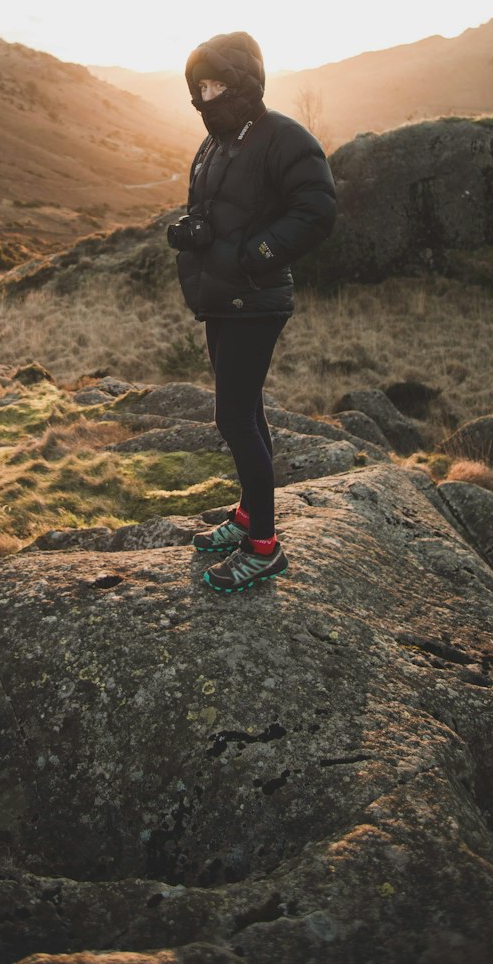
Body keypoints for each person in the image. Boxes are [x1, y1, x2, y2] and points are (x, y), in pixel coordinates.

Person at [167, 30, 337, 593]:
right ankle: (246, 515)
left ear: (244, 82)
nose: (206, 95)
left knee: (233, 418)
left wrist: (251, 255)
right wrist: (195, 231)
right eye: (200, 85)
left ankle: (263, 545)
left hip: (254, 299)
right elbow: (222, 207)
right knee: (247, 411)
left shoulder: (282, 137)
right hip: (222, 295)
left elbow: (316, 210)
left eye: (217, 83)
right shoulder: (218, 140)